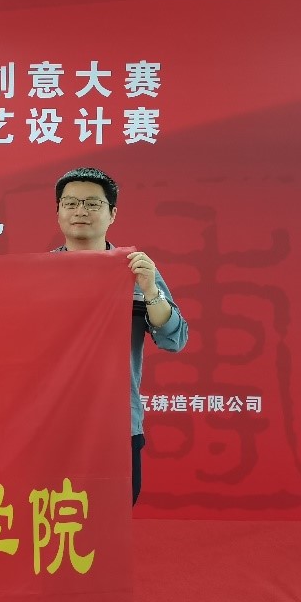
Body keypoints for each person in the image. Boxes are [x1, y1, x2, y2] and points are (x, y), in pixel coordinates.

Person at [52, 167, 189, 506]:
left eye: (92, 203)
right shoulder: (38, 274)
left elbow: (173, 339)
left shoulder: (135, 270)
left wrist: (150, 290)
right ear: (58, 211)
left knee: (113, 511)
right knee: (50, 515)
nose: (80, 211)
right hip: (52, 421)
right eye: (70, 203)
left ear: (112, 213)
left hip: (117, 421)